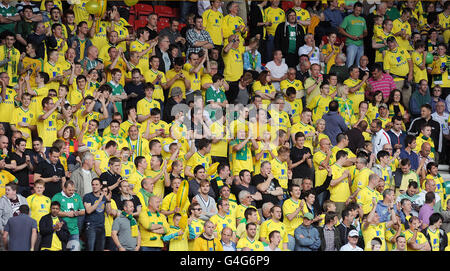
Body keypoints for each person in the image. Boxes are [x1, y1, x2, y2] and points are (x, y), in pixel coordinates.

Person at [51, 180, 85, 251]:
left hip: (74, 230)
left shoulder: (77, 196)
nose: (72, 192)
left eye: (73, 190)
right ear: (64, 188)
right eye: (70, 190)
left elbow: (83, 211)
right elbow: (53, 211)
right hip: (61, 230)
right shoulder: (57, 197)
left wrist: (77, 213)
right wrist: (67, 214)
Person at [339, 2, 367, 67]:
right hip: (351, 44)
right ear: (353, 9)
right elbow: (340, 30)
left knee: (360, 65)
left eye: (359, 11)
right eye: (356, 10)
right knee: (349, 64)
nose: (358, 12)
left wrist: (362, 36)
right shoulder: (348, 18)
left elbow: (366, 32)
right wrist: (351, 36)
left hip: (361, 44)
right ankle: (348, 77)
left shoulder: (362, 19)